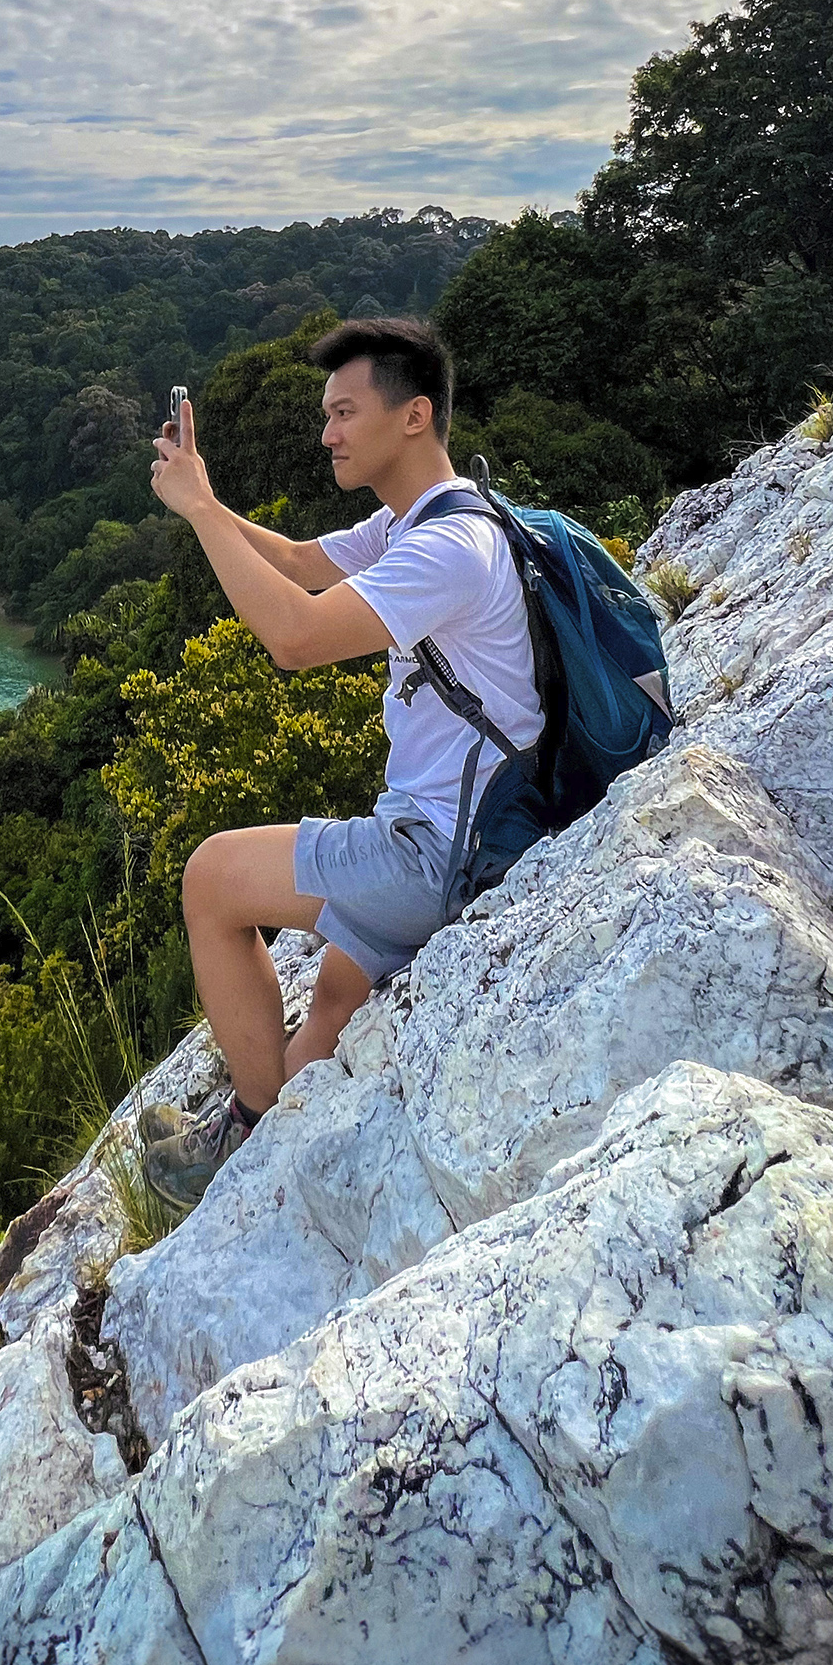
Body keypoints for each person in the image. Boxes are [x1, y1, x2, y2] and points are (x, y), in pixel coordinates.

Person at [138, 317, 542, 1214]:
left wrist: (200, 512)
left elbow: (295, 637)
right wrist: (199, 491)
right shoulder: (417, 521)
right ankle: (262, 1168)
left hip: (440, 850)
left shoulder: (448, 550)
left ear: (414, 416)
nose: (326, 433)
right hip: (461, 837)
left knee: (211, 880)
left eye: (344, 412)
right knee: (326, 1005)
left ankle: (239, 1129)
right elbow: (291, 562)